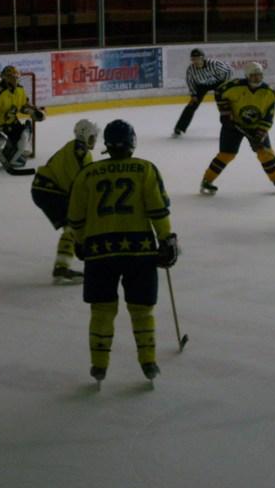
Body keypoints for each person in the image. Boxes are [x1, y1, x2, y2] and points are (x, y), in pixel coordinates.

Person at [67, 120, 179, 384]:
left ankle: (99, 365)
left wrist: (81, 242)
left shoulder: (87, 174)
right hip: (139, 253)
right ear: (133, 142)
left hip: (99, 253)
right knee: (142, 310)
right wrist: (167, 239)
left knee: (102, 310)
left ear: (106, 143)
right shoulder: (145, 169)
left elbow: (75, 217)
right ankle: (148, 361)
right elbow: (158, 210)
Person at [31, 119, 100, 285]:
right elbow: (82, 182)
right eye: (92, 137)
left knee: (72, 225)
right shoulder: (79, 151)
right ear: (84, 134)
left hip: (47, 189)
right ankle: (61, 267)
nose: (94, 141)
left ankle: (63, 264)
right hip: (49, 191)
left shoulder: (77, 148)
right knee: (72, 226)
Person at [199, 62, 275, 195]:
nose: (257, 78)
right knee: (227, 154)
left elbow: (268, 117)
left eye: (259, 75)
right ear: (247, 76)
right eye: (253, 75)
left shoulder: (269, 92)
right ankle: (207, 180)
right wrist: (225, 113)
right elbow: (219, 91)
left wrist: (260, 135)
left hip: (256, 127)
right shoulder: (234, 86)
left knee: (265, 153)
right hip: (233, 125)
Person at [172, 48, 233, 138]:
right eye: (193, 59)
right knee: (191, 106)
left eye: (198, 58)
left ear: (203, 58)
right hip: (201, 86)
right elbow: (190, 82)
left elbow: (229, 71)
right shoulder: (191, 69)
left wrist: (225, 85)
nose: (196, 61)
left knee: (224, 105)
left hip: (219, 83)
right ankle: (179, 128)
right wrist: (193, 94)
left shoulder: (214, 64)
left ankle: (229, 129)